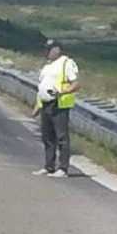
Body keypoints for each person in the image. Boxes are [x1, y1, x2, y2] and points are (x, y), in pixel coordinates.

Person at [32, 39, 80, 178]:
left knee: (61, 137)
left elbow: (76, 84)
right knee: (47, 137)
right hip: (46, 103)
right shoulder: (47, 66)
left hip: (59, 103)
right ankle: (49, 166)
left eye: (49, 49)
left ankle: (63, 168)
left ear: (57, 49)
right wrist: (37, 106)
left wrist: (63, 92)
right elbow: (42, 87)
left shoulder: (66, 63)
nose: (46, 52)